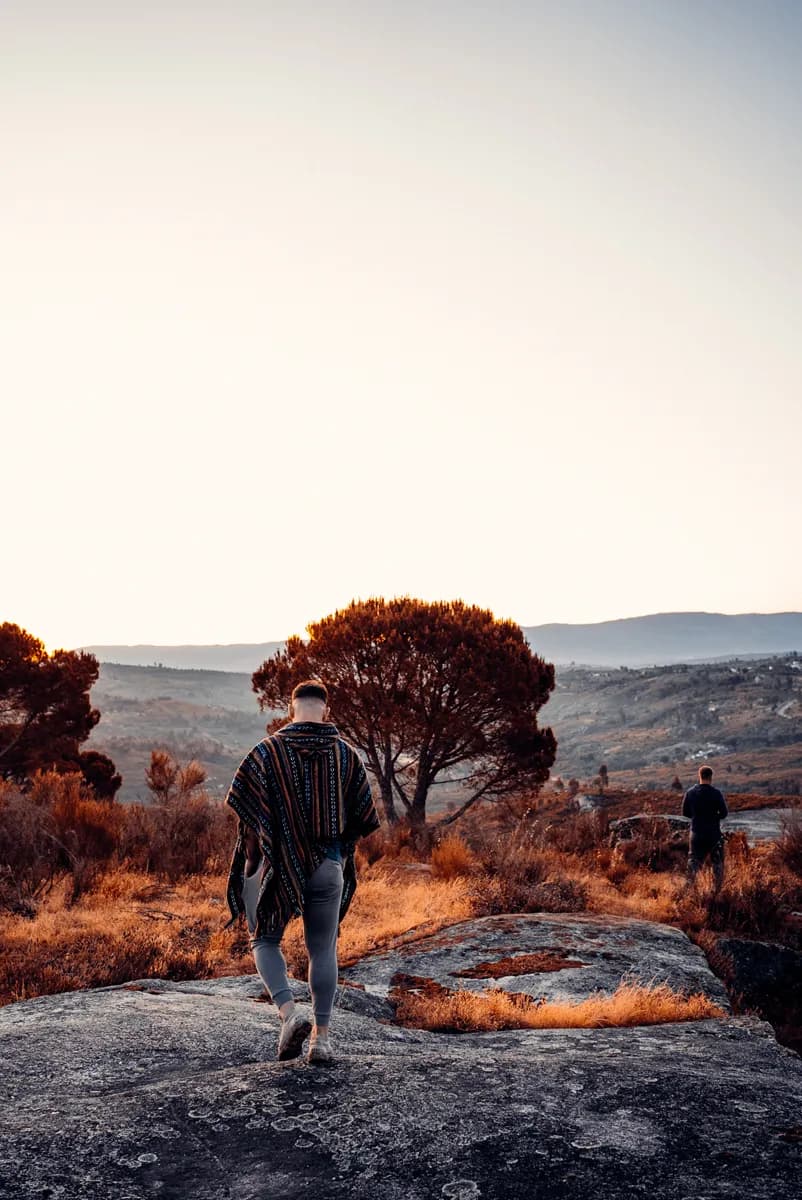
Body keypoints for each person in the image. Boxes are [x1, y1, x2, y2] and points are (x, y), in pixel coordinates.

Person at [224, 679, 381, 1064]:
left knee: (263, 939)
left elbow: (249, 827)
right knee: (322, 948)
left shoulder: (265, 753)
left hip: (278, 868)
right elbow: (361, 818)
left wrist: (248, 876)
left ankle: (290, 1014)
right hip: (329, 865)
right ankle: (322, 1041)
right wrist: (337, 856)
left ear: (292, 708)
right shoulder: (346, 756)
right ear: (325, 709)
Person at [682, 765, 728, 888]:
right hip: (713, 834)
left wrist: (697, 817)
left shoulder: (690, 793)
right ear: (711, 777)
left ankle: (688, 891)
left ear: (700, 776)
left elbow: (685, 812)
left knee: (693, 863)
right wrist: (714, 817)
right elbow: (724, 813)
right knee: (717, 864)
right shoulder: (716, 793)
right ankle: (717, 892)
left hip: (696, 833)